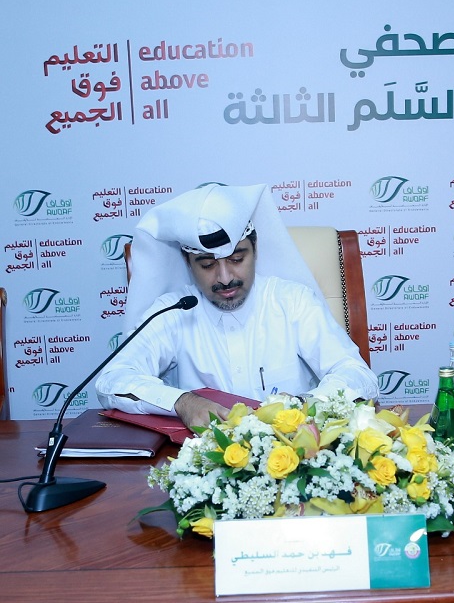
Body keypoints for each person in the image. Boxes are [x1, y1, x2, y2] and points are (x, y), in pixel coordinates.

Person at [96, 183, 378, 428]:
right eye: (207, 265)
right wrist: (181, 402)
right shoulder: (173, 311)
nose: (225, 278)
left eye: (236, 259)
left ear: (255, 250)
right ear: (188, 263)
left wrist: (307, 404)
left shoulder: (292, 301)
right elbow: (112, 380)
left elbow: (358, 375)